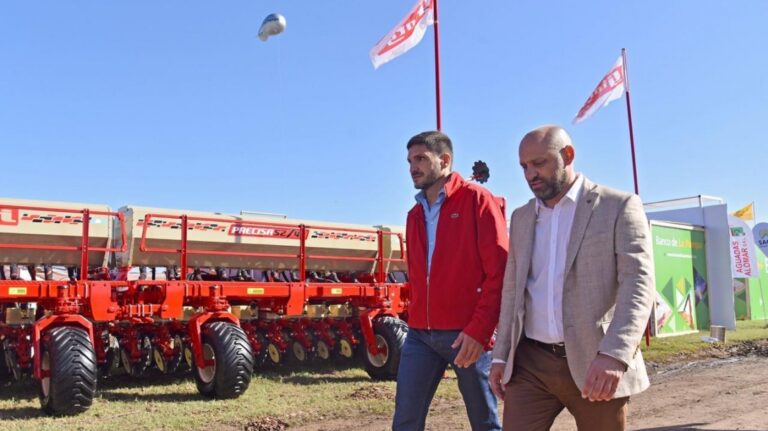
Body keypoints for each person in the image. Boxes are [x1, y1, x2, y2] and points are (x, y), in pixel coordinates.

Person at [489, 125, 655, 431]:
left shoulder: (618, 206)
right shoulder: (522, 217)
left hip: (596, 360)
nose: (530, 175)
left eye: (539, 163)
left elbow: (638, 285)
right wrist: (500, 357)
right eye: (524, 166)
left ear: (568, 155)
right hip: (530, 365)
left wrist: (615, 355)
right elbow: (511, 292)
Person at [394, 131, 508, 431]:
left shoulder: (478, 201)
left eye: (420, 159)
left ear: (444, 161)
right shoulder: (414, 214)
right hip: (420, 335)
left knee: (484, 423)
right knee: (405, 421)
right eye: (409, 161)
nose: (412, 167)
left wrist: (480, 331)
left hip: (466, 335)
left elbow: (500, 271)